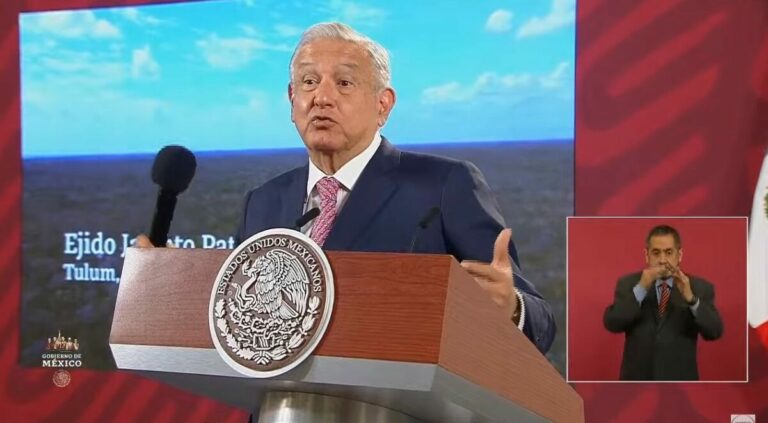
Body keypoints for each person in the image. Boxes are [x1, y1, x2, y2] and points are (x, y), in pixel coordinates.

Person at [138, 22, 556, 354]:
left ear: (383, 105)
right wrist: (176, 287)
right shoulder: (262, 203)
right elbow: (240, 324)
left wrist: (511, 308)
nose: (321, 97)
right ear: (291, 100)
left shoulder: (446, 185)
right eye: (308, 82)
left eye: (344, 83)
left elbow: (540, 322)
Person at [603, 224, 723, 380]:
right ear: (647, 255)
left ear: (679, 255)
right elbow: (612, 323)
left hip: (680, 381)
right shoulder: (629, 284)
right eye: (656, 253)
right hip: (636, 381)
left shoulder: (698, 287)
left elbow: (714, 331)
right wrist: (641, 289)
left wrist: (692, 300)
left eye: (668, 252)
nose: (662, 260)